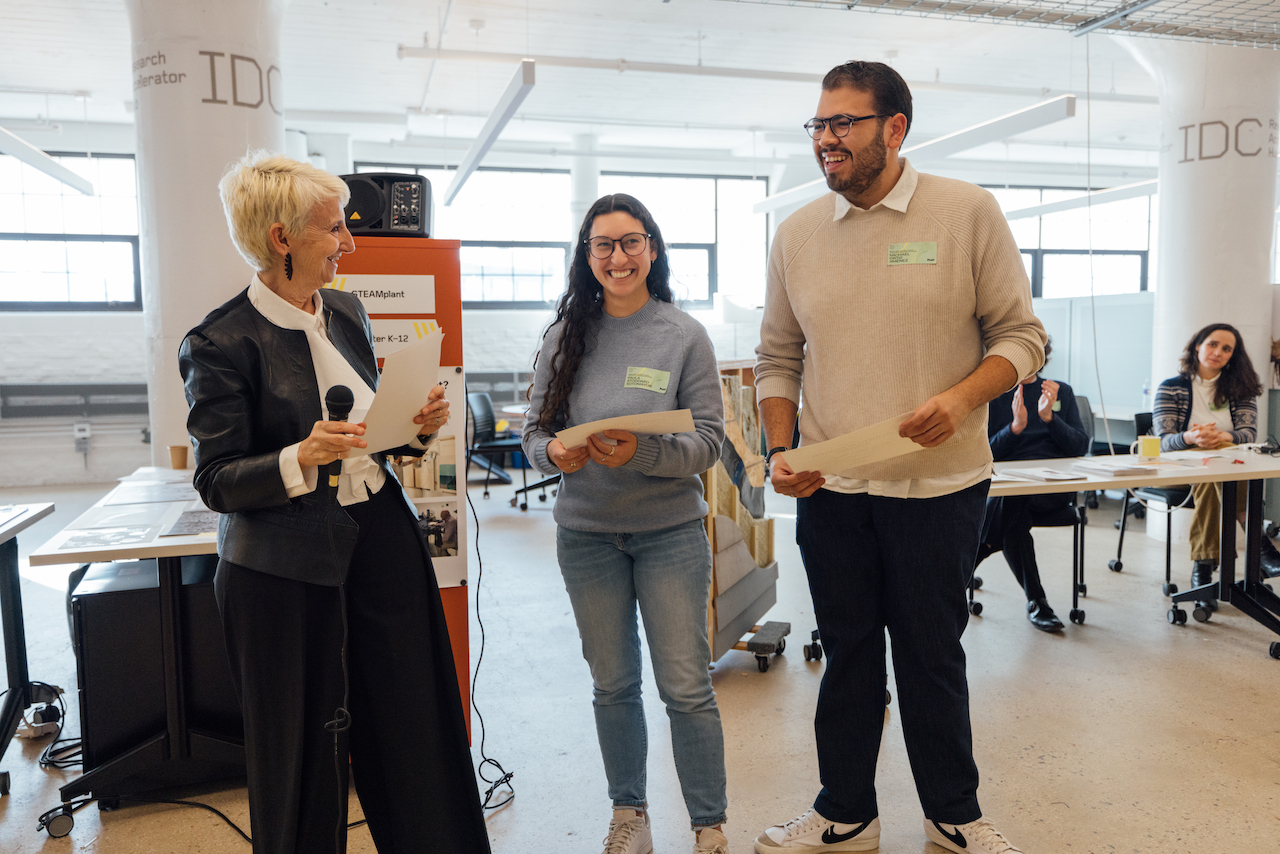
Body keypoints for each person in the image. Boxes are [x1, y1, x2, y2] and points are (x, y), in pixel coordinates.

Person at [754, 61, 1046, 854]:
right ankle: (844, 811)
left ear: (895, 128)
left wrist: (959, 400)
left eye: (843, 123)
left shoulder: (965, 212)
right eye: (818, 126)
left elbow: (1022, 337)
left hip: (939, 487)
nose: (827, 140)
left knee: (929, 656)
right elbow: (777, 358)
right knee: (848, 655)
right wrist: (782, 449)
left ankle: (954, 811)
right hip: (832, 488)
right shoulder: (798, 235)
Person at [179, 152, 490, 854]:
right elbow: (218, 479)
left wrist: (414, 427)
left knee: (414, 722)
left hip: (379, 536)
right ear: (281, 238)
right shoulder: (219, 342)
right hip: (282, 565)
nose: (349, 243)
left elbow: (371, 435)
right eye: (333, 229)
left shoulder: (347, 311)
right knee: (298, 747)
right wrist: (301, 456)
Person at [521, 193, 730, 854]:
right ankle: (629, 816)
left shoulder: (683, 335)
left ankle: (708, 825)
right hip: (586, 535)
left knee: (686, 687)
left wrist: (642, 451)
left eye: (631, 241)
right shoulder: (563, 336)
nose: (619, 256)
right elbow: (532, 432)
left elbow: (709, 443)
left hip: (669, 534)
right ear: (588, 257)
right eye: (604, 245)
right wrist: (553, 452)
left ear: (653, 248)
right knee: (613, 684)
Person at [1153, 322, 1280, 601]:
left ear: (1232, 356)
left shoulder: (1240, 389)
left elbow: (1248, 433)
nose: (1218, 352)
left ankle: (1204, 566)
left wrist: (1221, 436)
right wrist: (1191, 437)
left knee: (1226, 473)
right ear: (1197, 345)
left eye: (1226, 349)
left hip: (1225, 457)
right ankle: (1260, 550)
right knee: (1213, 474)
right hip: (1181, 463)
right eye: (1212, 344)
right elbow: (1163, 442)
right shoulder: (1170, 388)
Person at [977, 339, 1089, 632]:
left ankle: (978, 551)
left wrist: (1049, 418)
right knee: (1015, 508)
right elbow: (985, 453)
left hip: (1052, 487)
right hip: (1010, 487)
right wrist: (1014, 429)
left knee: (1012, 504)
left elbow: (1079, 445)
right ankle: (1037, 602)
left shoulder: (1059, 391)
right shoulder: (993, 395)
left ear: (1042, 355)